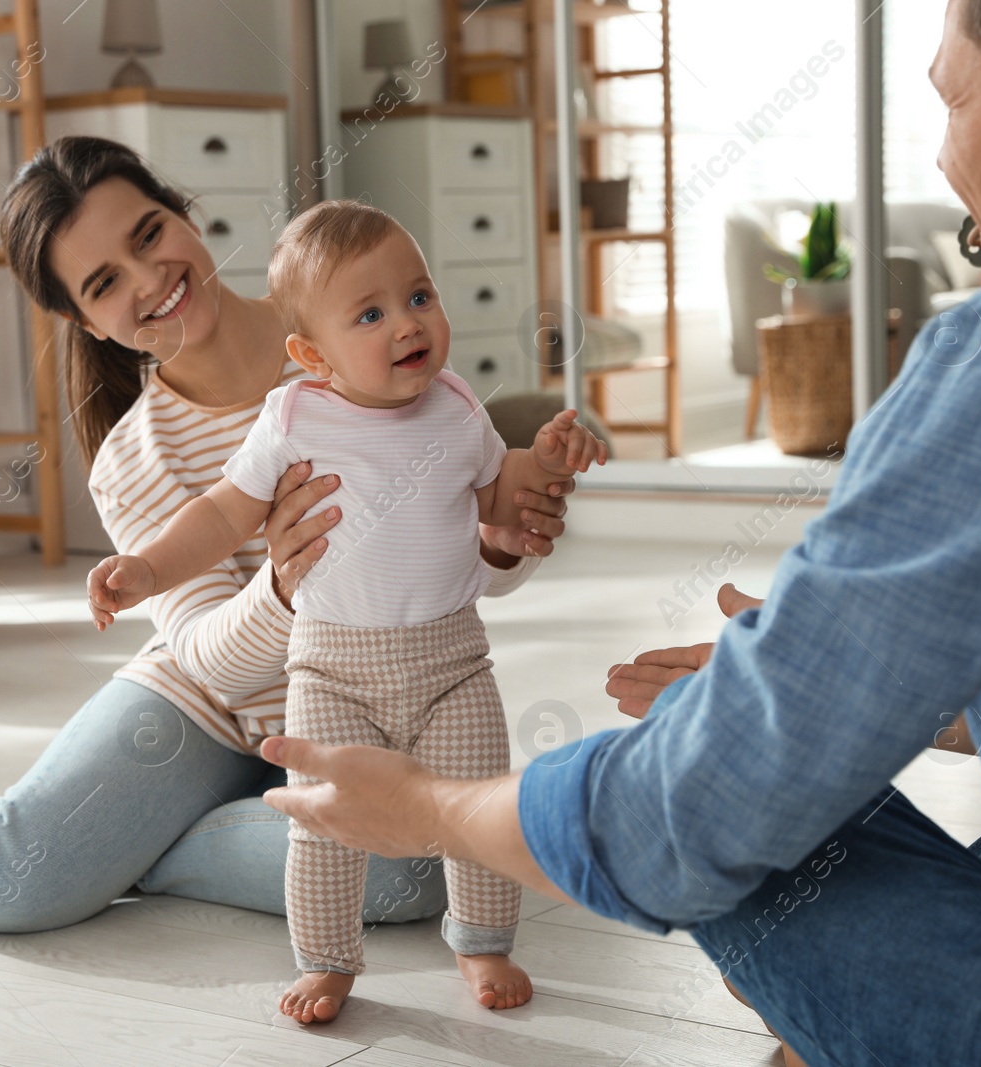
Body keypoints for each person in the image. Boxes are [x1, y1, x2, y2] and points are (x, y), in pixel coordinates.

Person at [258, 1, 981, 1064]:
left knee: (703, 759)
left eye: (950, 101)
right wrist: (881, 668)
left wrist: (429, 811)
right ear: (306, 354)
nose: (943, 147)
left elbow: (697, 808)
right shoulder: (283, 433)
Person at [0, 137, 578, 939]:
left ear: (184, 214)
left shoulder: (357, 321)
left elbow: (451, 567)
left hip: (373, 693)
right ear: (85, 320)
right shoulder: (134, 456)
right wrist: (285, 587)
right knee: (10, 872)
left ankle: (133, 849)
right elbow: (203, 650)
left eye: (150, 233)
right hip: (211, 706)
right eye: (104, 283)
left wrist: (501, 540)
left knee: (415, 877)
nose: (150, 279)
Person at [86, 199, 607, 1023]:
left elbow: (499, 496)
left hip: (452, 661)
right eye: (370, 313)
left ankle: (481, 939)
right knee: (327, 828)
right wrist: (146, 567)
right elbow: (224, 516)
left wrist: (542, 462)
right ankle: (328, 961)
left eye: (419, 296)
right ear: (312, 356)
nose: (407, 324)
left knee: (475, 803)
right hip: (331, 670)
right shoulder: (293, 417)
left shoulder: (458, 407)